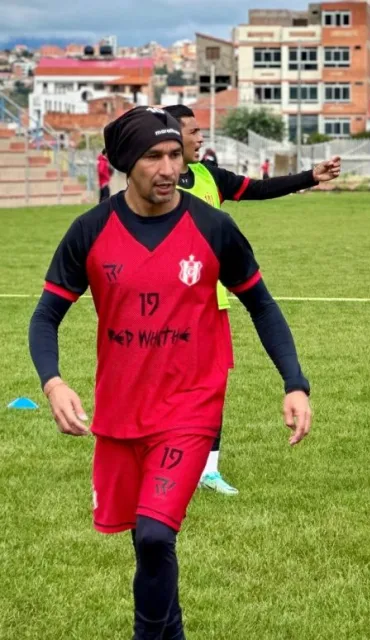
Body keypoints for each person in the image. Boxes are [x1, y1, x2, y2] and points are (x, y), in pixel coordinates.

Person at [27, 106, 312, 639]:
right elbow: (46, 316)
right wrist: (54, 380)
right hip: (120, 412)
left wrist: (294, 383)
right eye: (153, 156)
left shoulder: (214, 227)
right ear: (123, 164)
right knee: (145, 542)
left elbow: (263, 306)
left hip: (190, 405)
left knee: (157, 535)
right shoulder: (89, 231)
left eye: (175, 154)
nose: (168, 168)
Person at [163, 104, 339, 495]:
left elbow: (257, 189)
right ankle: (162, 461)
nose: (200, 137)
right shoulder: (157, 183)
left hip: (211, 304)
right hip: (163, 307)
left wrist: (310, 177)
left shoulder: (210, 176)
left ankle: (207, 470)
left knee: (211, 389)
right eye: (192, 131)